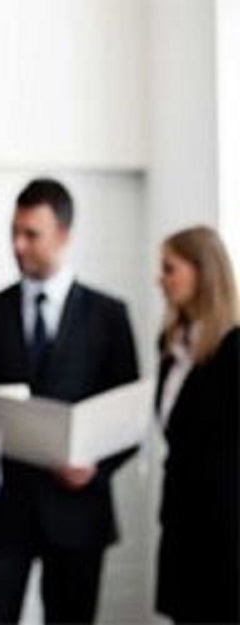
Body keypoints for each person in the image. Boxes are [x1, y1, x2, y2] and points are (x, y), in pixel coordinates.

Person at [0, 178, 139, 623]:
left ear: (63, 235)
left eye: (31, 234)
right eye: (14, 232)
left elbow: (129, 416)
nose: (18, 245)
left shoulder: (109, 316)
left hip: (78, 515)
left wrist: (95, 468)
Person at [154, 226, 239, 623]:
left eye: (169, 268)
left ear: (202, 272)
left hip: (223, 531)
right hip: (181, 523)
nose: (160, 280)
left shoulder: (234, 350)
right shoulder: (170, 347)